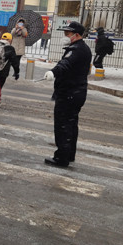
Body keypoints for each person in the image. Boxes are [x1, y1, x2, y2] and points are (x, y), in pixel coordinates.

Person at [42, 21, 91, 167]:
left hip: (69, 93)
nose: (65, 36)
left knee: (63, 125)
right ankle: (69, 154)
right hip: (75, 92)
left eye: (67, 34)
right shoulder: (80, 48)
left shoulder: (76, 49)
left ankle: (61, 158)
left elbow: (65, 64)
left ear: (76, 35)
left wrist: (53, 72)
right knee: (71, 124)